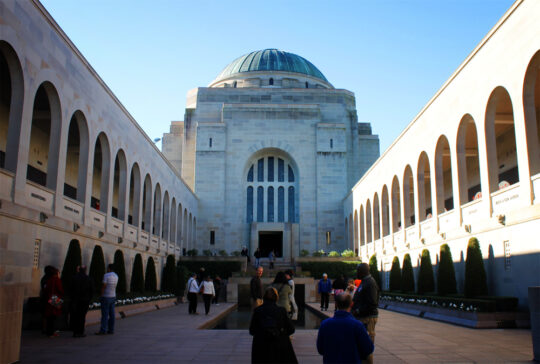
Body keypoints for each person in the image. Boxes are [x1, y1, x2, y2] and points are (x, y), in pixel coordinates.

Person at [317, 293, 374, 364]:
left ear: (336, 304)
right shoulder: (357, 325)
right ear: (352, 304)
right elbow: (368, 349)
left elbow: (320, 349)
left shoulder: (325, 324)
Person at [249, 287, 298, 364]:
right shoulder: (281, 311)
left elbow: (252, 331)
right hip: (278, 348)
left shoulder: (258, 311)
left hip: (261, 348)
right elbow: (291, 329)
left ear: (264, 298)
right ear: (276, 298)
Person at [352, 262, 380, 364]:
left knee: (366, 345)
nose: (356, 272)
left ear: (363, 271)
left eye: (358, 270)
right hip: (362, 318)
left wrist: (358, 310)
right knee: (362, 344)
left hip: (368, 318)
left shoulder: (370, 283)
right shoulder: (364, 281)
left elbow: (372, 303)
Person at [70, 265, 93, 337]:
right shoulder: (89, 279)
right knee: (82, 316)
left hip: (75, 300)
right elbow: (92, 290)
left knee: (75, 315)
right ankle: (80, 332)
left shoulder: (74, 278)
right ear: (85, 271)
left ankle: (75, 331)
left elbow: (70, 289)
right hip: (85, 300)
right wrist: (89, 298)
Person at [96, 264, 118, 335]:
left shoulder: (106, 275)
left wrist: (101, 295)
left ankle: (103, 330)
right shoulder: (116, 276)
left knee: (105, 314)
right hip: (113, 296)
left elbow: (104, 286)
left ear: (109, 268)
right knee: (112, 314)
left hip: (106, 296)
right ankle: (111, 329)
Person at [43, 266, 63, 337]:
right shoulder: (56, 280)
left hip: (50, 298)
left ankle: (50, 332)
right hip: (55, 298)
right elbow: (60, 290)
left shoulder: (49, 280)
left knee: (50, 317)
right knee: (54, 316)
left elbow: (46, 290)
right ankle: (51, 332)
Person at [40, 265, 55, 334]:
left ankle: (47, 328)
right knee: (51, 314)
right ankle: (49, 329)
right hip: (51, 298)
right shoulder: (48, 279)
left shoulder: (46, 278)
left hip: (49, 297)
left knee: (47, 314)